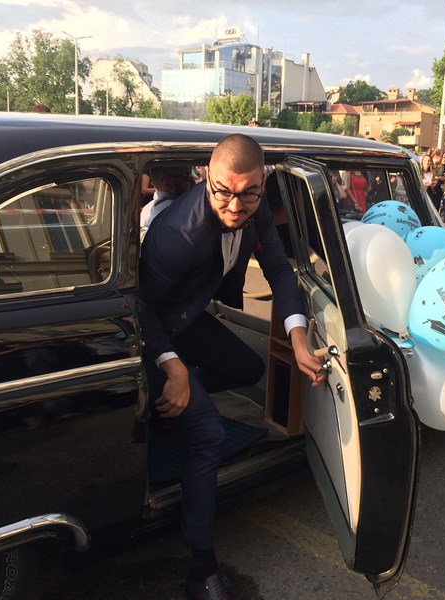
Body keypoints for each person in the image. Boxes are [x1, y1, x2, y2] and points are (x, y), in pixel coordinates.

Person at [138, 134, 325, 600]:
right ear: (206, 175)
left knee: (247, 368)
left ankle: (168, 410)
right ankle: (201, 569)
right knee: (208, 434)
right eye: (223, 191)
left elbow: (278, 270)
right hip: (152, 334)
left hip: (187, 317)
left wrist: (298, 339)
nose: (236, 205)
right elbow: (142, 309)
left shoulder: (254, 210)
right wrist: (175, 370)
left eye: (249, 193)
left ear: (262, 184)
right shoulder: (177, 235)